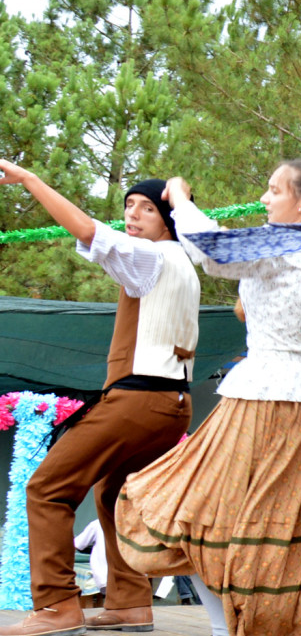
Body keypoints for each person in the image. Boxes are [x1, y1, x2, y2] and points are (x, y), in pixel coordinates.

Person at [115, 161, 301, 636]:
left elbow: (214, 252)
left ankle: (228, 627)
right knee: (291, 532)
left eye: (273, 190)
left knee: (195, 512)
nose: (263, 198)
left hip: (269, 398)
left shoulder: (285, 242)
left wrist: (179, 199)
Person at [0, 160, 199, 636]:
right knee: (113, 493)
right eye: (128, 205)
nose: (133, 215)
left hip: (140, 401)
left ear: (167, 220)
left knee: (47, 488)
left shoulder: (152, 258)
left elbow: (86, 229)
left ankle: (56, 607)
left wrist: (29, 179)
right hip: (172, 405)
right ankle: (130, 603)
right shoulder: (180, 265)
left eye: (147, 208)